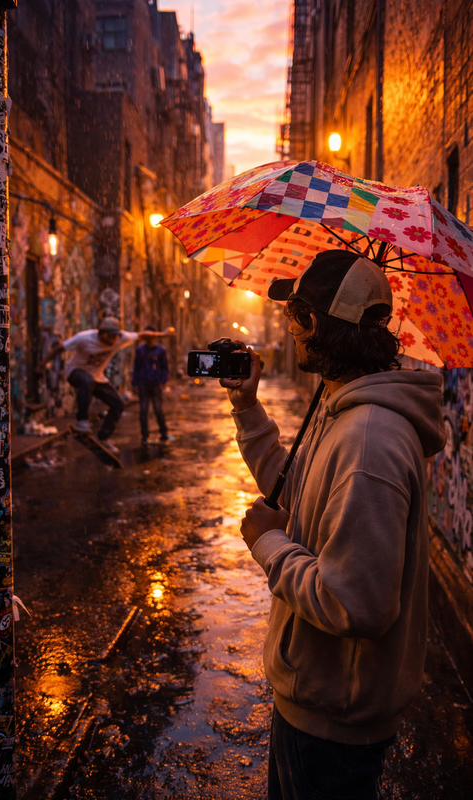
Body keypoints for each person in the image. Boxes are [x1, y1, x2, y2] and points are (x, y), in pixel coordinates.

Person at [220, 250, 446, 800]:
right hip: (314, 707)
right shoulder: (342, 412)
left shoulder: (368, 437)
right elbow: (296, 493)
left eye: (295, 317)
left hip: (333, 726)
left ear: (315, 324)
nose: (290, 331)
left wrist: (269, 543)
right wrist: (248, 408)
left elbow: (357, 603)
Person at [38, 317, 170, 449]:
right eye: (110, 337)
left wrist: (163, 334)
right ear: (101, 333)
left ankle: (103, 437)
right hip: (74, 372)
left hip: (96, 377)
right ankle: (82, 421)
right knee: (87, 380)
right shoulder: (83, 338)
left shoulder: (121, 338)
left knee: (118, 404)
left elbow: (143, 335)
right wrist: (42, 364)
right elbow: (59, 348)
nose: (113, 341)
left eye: (115, 337)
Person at [132, 326, 169, 444]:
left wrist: (163, 381)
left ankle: (164, 433)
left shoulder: (161, 350)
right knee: (143, 410)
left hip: (156, 383)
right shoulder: (140, 350)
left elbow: (165, 368)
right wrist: (135, 383)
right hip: (143, 382)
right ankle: (144, 435)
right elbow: (136, 367)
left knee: (158, 409)